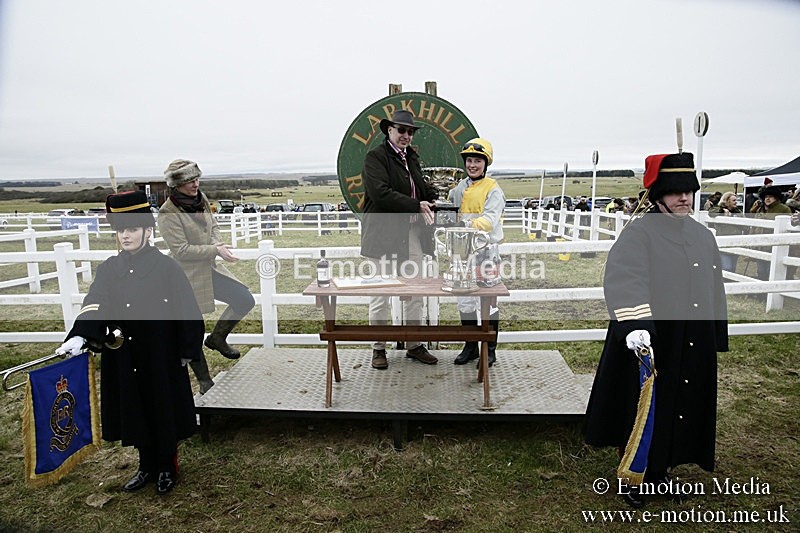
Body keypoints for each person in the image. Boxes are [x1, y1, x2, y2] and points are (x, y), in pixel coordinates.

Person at [584, 152, 728, 508]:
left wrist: (714, 335)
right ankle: (635, 474)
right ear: (658, 195)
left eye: (688, 191)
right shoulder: (639, 234)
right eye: (675, 191)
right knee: (642, 408)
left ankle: (661, 472)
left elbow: (713, 285)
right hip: (648, 339)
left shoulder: (702, 235)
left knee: (678, 405)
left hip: (689, 341)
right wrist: (634, 325)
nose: (684, 198)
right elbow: (625, 279)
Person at [56, 190, 204, 495]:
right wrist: (80, 334)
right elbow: (96, 301)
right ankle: (145, 465)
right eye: (121, 230)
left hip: (160, 353)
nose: (126, 236)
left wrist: (186, 351)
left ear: (147, 231)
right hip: (124, 354)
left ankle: (166, 466)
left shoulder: (167, 268)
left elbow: (188, 310)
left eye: (133, 229)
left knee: (161, 408)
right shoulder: (110, 269)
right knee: (135, 408)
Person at [157, 159, 256, 392]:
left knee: (243, 298)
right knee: (191, 330)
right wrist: (215, 250)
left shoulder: (200, 199)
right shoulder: (167, 212)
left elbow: (214, 226)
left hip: (209, 268)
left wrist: (217, 244)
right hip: (185, 276)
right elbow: (180, 250)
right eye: (190, 181)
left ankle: (217, 338)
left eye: (196, 179)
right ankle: (204, 381)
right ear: (177, 185)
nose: (195, 184)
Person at [360, 110, 439, 369]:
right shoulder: (375, 158)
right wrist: (416, 205)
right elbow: (380, 193)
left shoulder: (412, 158)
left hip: (411, 235)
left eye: (410, 131)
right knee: (380, 294)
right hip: (384, 236)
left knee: (414, 291)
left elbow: (419, 188)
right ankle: (379, 348)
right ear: (389, 130)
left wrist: (434, 196)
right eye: (401, 130)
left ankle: (414, 344)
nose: (406, 135)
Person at [447, 138, 504, 367]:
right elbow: (450, 208)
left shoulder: (493, 189)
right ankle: (470, 346)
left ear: (485, 163)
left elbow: (490, 219)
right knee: (465, 302)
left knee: (488, 302)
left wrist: (466, 226)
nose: (472, 165)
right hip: (461, 253)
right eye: (469, 160)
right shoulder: (459, 188)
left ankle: (489, 350)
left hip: (485, 252)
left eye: (477, 161)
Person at [749, 185, 791, 281]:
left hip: (774, 245)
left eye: (770, 196)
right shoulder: (760, 209)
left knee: (770, 270)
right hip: (760, 244)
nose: (767, 199)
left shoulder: (784, 209)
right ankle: (761, 293)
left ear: (776, 197)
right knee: (761, 270)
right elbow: (755, 225)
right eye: (766, 196)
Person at [708, 191, 744, 273]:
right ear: (727, 201)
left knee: (733, 268)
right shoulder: (719, 209)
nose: (736, 203)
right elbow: (711, 212)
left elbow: (745, 225)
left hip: (735, 244)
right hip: (723, 244)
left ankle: (729, 283)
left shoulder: (738, 212)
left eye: (736, 200)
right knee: (727, 267)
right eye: (733, 200)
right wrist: (722, 211)